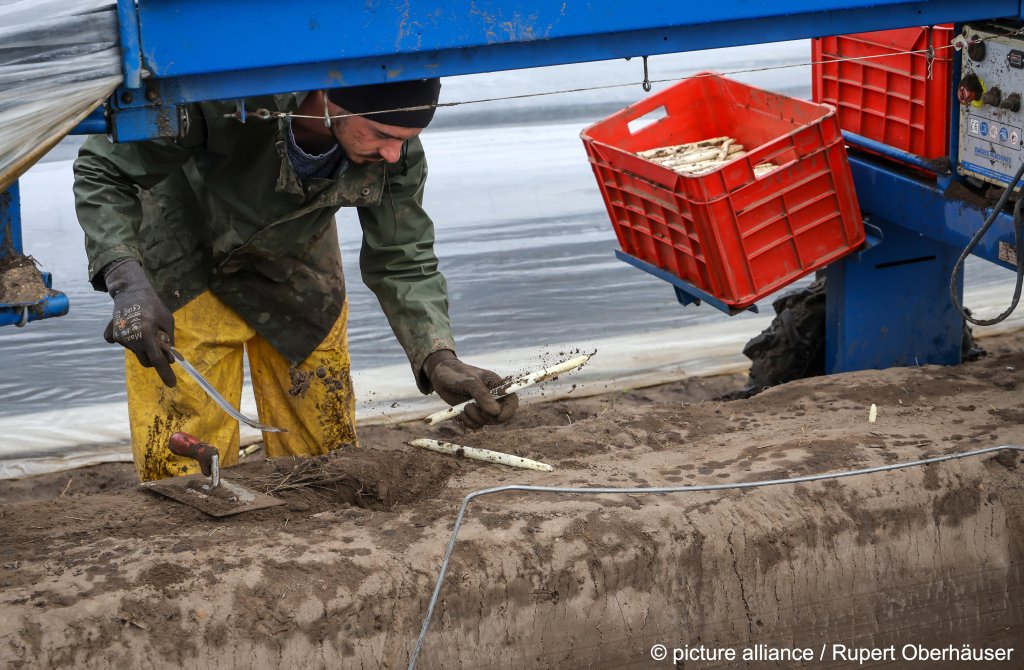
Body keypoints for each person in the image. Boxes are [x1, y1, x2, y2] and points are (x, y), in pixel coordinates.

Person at [73, 78, 518, 481]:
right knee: (183, 458)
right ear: (328, 102)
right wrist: (126, 282)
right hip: (184, 259)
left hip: (300, 271)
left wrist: (437, 357)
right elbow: (103, 169)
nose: (393, 154)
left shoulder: (394, 153)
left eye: (405, 141)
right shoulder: (223, 93)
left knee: (327, 457)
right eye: (383, 135)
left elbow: (403, 256)